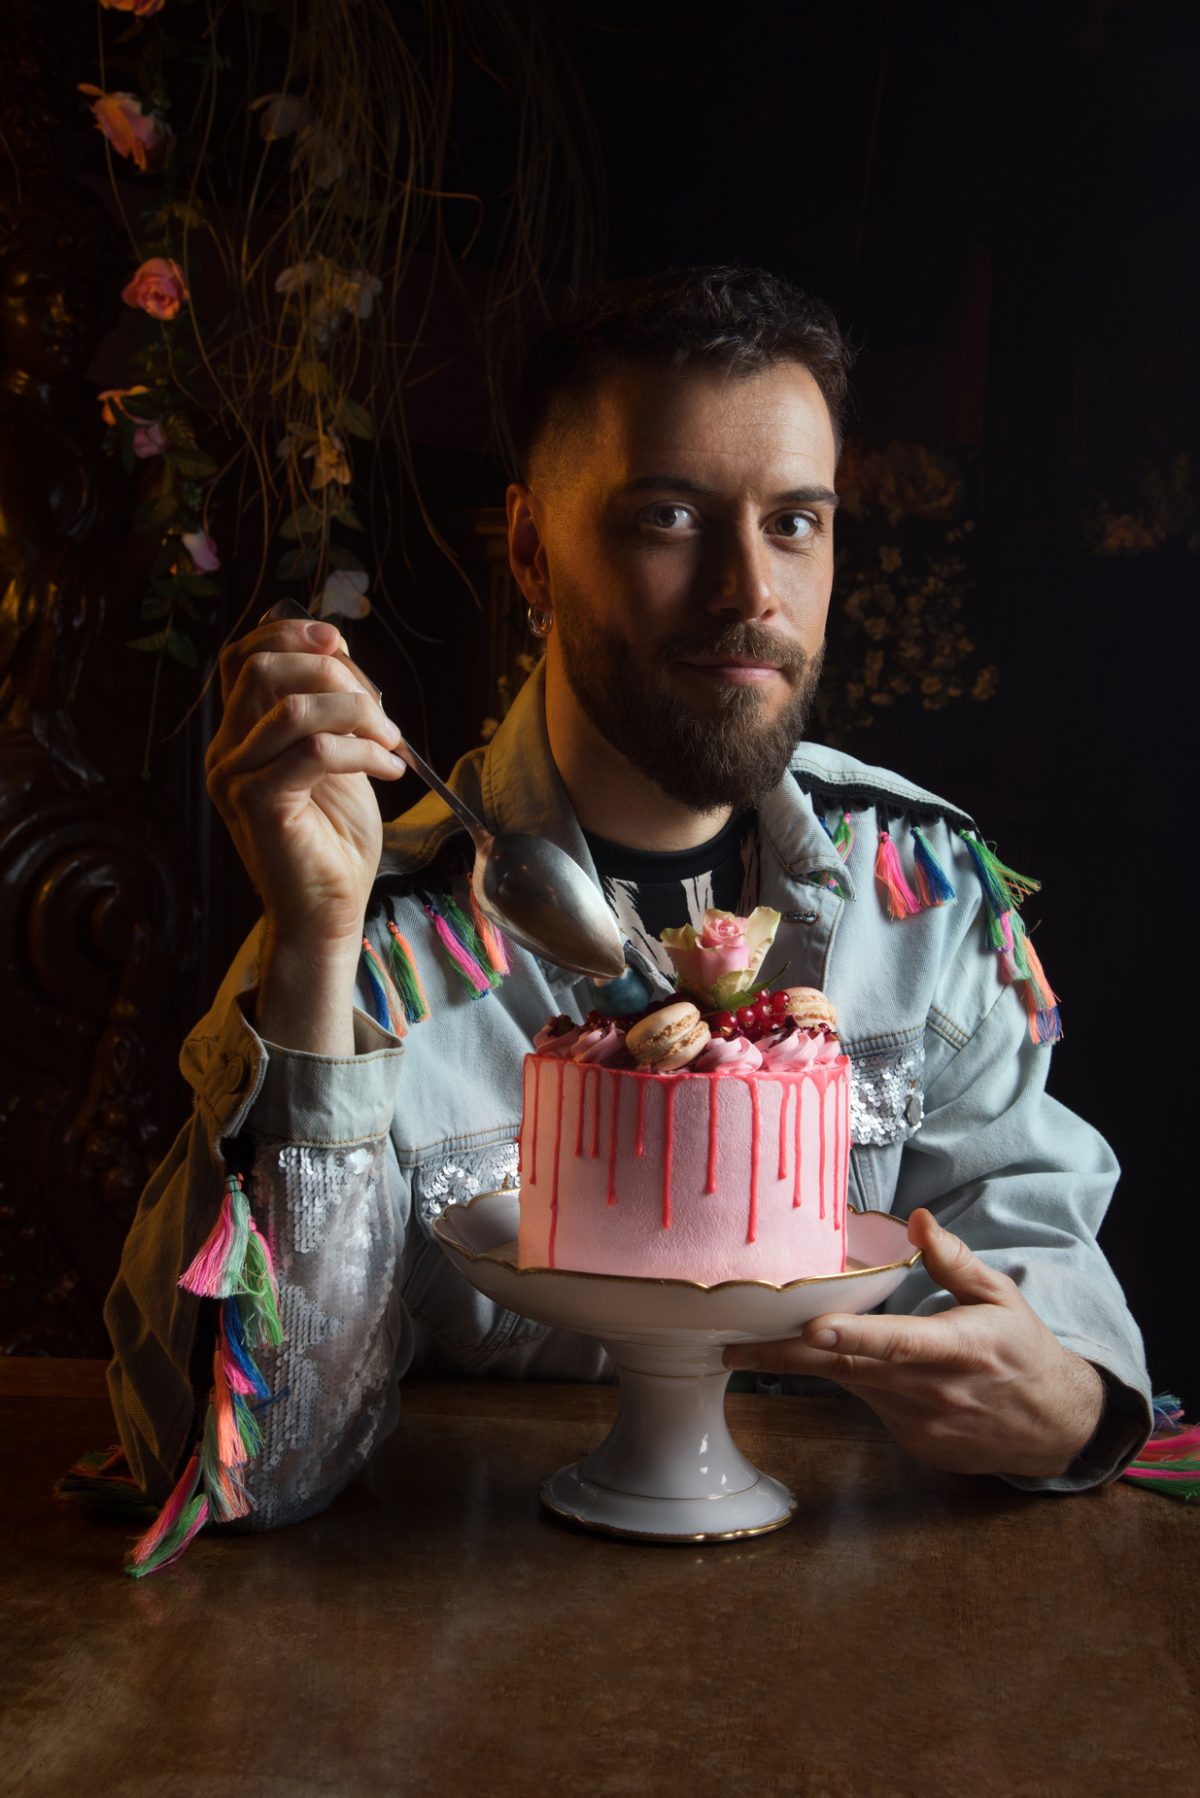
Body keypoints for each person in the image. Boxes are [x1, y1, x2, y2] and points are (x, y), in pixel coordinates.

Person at [104, 265, 1151, 1560]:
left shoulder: (917, 889)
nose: (748, 590)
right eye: (669, 516)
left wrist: (1072, 1406)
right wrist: (316, 952)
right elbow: (254, 1467)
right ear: (531, 548)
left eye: (795, 522)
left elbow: (1035, 1247)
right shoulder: (378, 945)